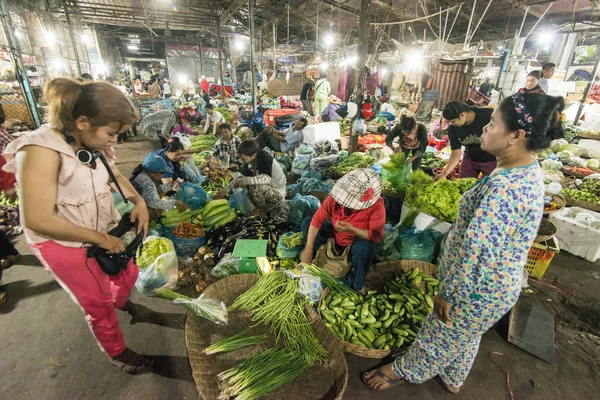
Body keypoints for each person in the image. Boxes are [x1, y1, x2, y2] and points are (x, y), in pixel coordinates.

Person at [361, 91, 564, 393]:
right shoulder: (524, 170)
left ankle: (400, 371)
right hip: (496, 285)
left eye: (492, 124)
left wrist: (450, 294)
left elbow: (477, 252)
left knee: (438, 333)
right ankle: (453, 379)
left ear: (516, 136)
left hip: (478, 290)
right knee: (467, 334)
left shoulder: (504, 189)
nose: (484, 128)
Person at [2, 77, 152, 373]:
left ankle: (119, 300)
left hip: (101, 229)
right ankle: (118, 352)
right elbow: (37, 219)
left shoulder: (91, 142)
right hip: (63, 243)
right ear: (82, 121)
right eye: (112, 133)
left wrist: (139, 201)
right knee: (96, 302)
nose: (115, 140)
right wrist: (98, 238)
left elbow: (113, 176)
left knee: (126, 272)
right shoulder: (39, 151)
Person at [300, 169, 385, 292]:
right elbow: (316, 220)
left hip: (355, 243)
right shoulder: (334, 199)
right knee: (307, 223)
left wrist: (352, 229)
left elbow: (375, 236)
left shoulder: (376, 205)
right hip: (335, 236)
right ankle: (315, 260)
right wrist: (308, 248)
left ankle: (358, 285)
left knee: (364, 247)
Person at [216, 140, 286, 211]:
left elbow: (266, 178)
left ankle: (260, 209)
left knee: (254, 185)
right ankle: (261, 205)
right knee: (247, 186)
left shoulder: (264, 158)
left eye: (243, 159)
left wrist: (245, 181)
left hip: (277, 192)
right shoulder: (250, 160)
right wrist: (226, 189)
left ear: (253, 155)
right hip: (267, 188)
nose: (241, 160)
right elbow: (242, 177)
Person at [436, 101, 495, 180]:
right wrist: (444, 174)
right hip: (470, 159)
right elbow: (456, 153)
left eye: (453, 121)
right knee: (463, 183)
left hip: (491, 160)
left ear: (462, 115)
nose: (452, 124)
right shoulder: (453, 129)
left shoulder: (487, 115)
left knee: (488, 187)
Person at [130, 154, 188, 219]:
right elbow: (154, 203)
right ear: (156, 173)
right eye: (161, 173)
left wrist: (169, 186)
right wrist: (176, 203)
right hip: (139, 213)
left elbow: (152, 191)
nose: (161, 175)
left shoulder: (143, 175)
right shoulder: (147, 182)